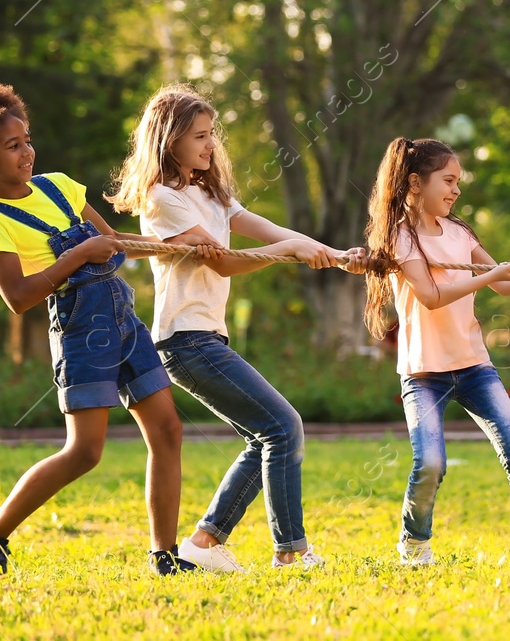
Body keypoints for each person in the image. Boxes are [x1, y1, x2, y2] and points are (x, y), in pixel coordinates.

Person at [0, 77, 200, 578]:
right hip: (80, 332)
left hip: (124, 320)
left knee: (168, 429)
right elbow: (19, 297)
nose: (27, 152)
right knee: (85, 451)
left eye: (27, 140)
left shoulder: (60, 185)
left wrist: (182, 244)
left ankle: (164, 554)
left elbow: (114, 243)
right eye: (12, 146)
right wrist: (77, 254)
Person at [110, 84, 350, 571]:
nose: (209, 144)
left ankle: (204, 541)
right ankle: (290, 551)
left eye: (211, 134)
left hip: (207, 336)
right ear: (169, 139)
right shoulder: (162, 198)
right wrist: (288, 253)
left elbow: (271, 231)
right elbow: (225, 264)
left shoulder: (211, 193)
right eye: (199, 135)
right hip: (184, 340)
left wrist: (337, 256)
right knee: (284, 427)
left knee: (266, 436)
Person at [356, 137, 510, 565]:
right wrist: (488, 275)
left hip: (474, 365)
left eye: (458, 181)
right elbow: (430, 295)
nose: (456, 190)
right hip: (423, 373)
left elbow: (506, 282)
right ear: (414, 182)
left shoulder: (460, 233)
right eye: (448, 180)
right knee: (430, 463)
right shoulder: (401, 239)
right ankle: (415, 541)